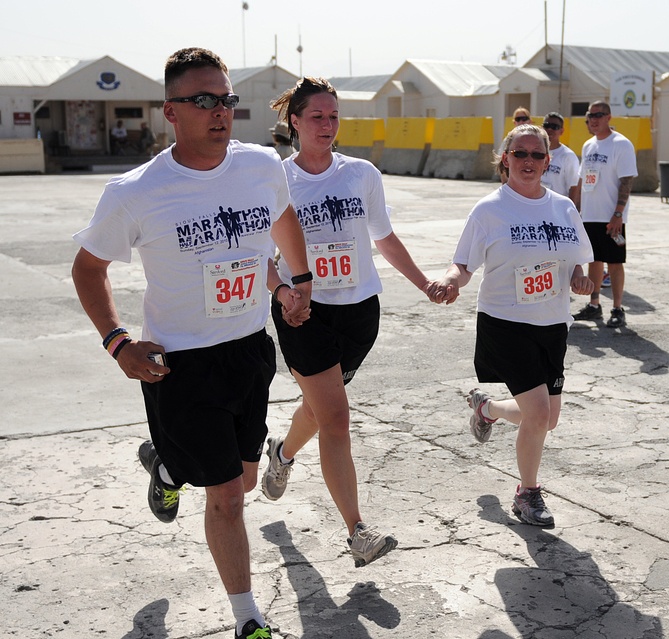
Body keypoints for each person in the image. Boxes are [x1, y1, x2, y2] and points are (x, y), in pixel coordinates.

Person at [71, 47, 311, 639]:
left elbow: (283, 221)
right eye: (202, 100)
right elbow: (87, 267)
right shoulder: (136, 191)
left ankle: (165, 465)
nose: (219, 111)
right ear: (170, 112)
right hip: (179, 363)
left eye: (226, 99)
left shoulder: (261, 166)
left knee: (244, 479)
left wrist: (298, 281)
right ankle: (247, 618)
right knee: (228, 496)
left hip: (250, 350)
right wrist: (117, 342)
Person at [260, 77, 442, 568]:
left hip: (361, 313)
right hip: (305, 314)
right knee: (336, 418)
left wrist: (424, 284)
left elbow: (384, 237)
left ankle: (281, 453)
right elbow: (259, 256)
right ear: (293, 121)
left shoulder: (360, 174)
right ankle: (357, 531)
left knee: (321, 410)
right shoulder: (275, 180)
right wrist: (283, 292)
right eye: (316, 116)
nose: (327, 125)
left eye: (333, 116)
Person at [434, 123, 594, 527]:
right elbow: (464, 264)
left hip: (552, 323)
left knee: (546, 418)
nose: (528, 161)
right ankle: (528, 495)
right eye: (519, 154)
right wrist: (451, 281)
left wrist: (579, 276)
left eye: (536, 155)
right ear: (505, 159)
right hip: (505, 322)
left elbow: (578, 256)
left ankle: (486, 408)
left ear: (548, 161)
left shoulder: (563, 207)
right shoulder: (489, 209)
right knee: (539, 414)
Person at [572, 100, 637, 328]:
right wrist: (575, 209)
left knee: (615, 262)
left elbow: (626, 181)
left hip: (611, 217)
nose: (594, 119)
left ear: (609, 117)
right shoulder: (588, 145)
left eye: (599, 114)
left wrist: (618, 214)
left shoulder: (621, 144)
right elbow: (582, 180)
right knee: (594, 261)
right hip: (590, 215)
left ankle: (618, 308)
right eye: (590, 115)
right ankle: (594, 305)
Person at [540, 111, 580, 210]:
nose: (550, 129)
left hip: (557, 208)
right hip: (537, 206)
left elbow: (574, 188)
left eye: (554, 127)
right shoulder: (536, 152)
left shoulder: (567, 156)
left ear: (561, 131)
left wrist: (570, 212)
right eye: (547, 125)